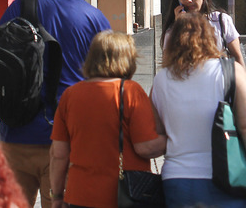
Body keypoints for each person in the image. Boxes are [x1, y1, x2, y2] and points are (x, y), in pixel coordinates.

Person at [0, 0, 111, 208]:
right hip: (69, 140)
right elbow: (109, 79)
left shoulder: (22, 7)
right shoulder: (94, 18)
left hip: (18, 134)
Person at [151, 13, 246, 208]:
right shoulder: (231, 71)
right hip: (227, 177)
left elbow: (158, 132)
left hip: (177, 180)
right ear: (209, 38)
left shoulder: (161, 79)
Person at [50, 32, 165, 208]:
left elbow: (58, 153)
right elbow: (146, 147)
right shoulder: (130, 91)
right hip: (124, 195)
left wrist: (57, 195)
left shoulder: (70, 95)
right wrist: (173, 138)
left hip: (80, 195)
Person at [162, 0, 246, 72]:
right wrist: (179, 27)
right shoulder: (173, 29)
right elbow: (167, 63)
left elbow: (237, 56)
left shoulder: (221, 20)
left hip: (219, 81)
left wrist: (243, 83)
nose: (188, 0)